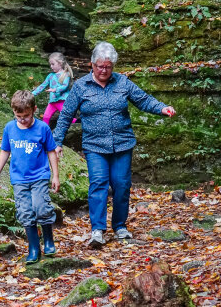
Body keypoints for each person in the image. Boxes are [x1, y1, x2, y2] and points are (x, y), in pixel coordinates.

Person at [53, 41, 176, 248]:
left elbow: (143, 100)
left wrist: (162, 108)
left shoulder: (122, 83)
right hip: (94, 146)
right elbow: (66, 115)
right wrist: (57, 141)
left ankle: (120, 226)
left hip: (122, 144)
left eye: (108, 67)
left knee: (121, 185)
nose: (103, 70)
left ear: (113, 66)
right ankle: (98, 230)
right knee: (98, 183)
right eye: (100, 66)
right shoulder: (81, 87)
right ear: (92, 65)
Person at [0, 90, 60, 264]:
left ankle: (49, 241)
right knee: (25, 211)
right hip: (19, 178)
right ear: (14, 112)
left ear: (34, 110)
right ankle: (34, 247)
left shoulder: (42, 128)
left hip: (39, 175)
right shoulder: (10, 128)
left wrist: (55, 176)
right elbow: (5, 150)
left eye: (26, 116)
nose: (23, 119)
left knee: (41, 207)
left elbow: (51, 152)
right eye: (19, 116)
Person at [32, 52, 77, 125]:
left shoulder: (66, 74)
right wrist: (33, 94)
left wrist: (55, 89)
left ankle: (80, 123)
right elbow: (43, 85)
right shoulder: (50, 76)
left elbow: (65, 86)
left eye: (53, 64)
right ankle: (45, 132)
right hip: (52, 102)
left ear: (60, 63)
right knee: (46, 117)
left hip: (62, 101)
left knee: (67, 118)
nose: (51, 66)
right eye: (50, 64)